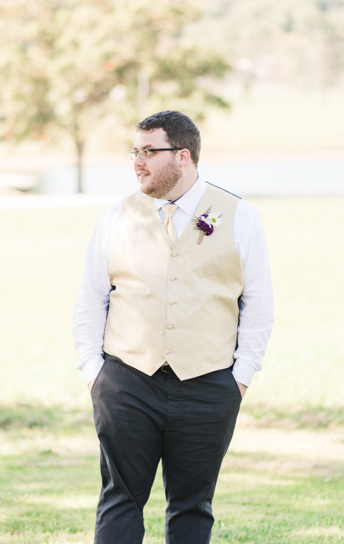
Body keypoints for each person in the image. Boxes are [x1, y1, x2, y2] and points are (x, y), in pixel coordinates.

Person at [72, 111, 273, 543]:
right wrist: (94, 372)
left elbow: (258, 305)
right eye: (135, 151)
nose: (137, 162)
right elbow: (91, 298)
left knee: (192, 507)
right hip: (126, 382)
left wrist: (239, 379)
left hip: (208, 386)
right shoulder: (116, 217)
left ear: (183, 156)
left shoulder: (239, 216)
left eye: (150, 151)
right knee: (120, 500)